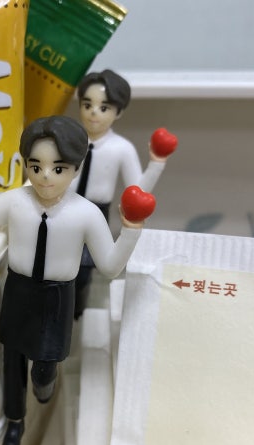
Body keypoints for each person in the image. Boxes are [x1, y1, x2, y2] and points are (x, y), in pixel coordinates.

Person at [0, 115, 149, 445]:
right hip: (18, 289)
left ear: (76, 168)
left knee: (45, 367)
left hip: (58, 298)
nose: (45, 176)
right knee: (13, 359)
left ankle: (45, 382)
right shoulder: (15, 201)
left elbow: (109, 266)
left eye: (58, 168)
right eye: (36, 166)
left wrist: (130, 232)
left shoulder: (86, 213)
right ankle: (15, 420)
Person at [71, 69, 176, 318]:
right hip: (65, 205)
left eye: (104, 107)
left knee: (84, 269)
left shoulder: (122, 148)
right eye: (87, 104)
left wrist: (156, 163)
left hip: (96, 213)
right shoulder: (70, 139)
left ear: (118, 112)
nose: (94, 112)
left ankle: (77, 313)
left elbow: (136, 190)